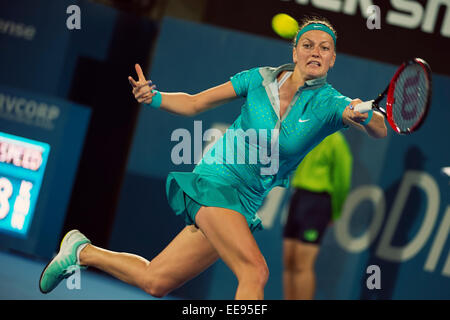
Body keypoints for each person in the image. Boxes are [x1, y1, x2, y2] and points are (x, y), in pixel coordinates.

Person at [39, 16, 387, 300]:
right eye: (308, 45)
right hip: (216, 181)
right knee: (255, 272)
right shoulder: (258, 79)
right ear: (294, 52)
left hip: (246, 202)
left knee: (155, 281)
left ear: (332, 59)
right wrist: (154, 98)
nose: (316, 52)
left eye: (325, 48)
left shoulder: (331, 104)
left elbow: (381, 129)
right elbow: (194, 103)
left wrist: (365, 115)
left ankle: (80, 251)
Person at [283, 131, 352, 300]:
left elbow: (343, 181)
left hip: (318, 203)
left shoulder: (336, 141)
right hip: (297, 197)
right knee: (289, 261)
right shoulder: (305, 133)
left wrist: (334, 211)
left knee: (302, 265)